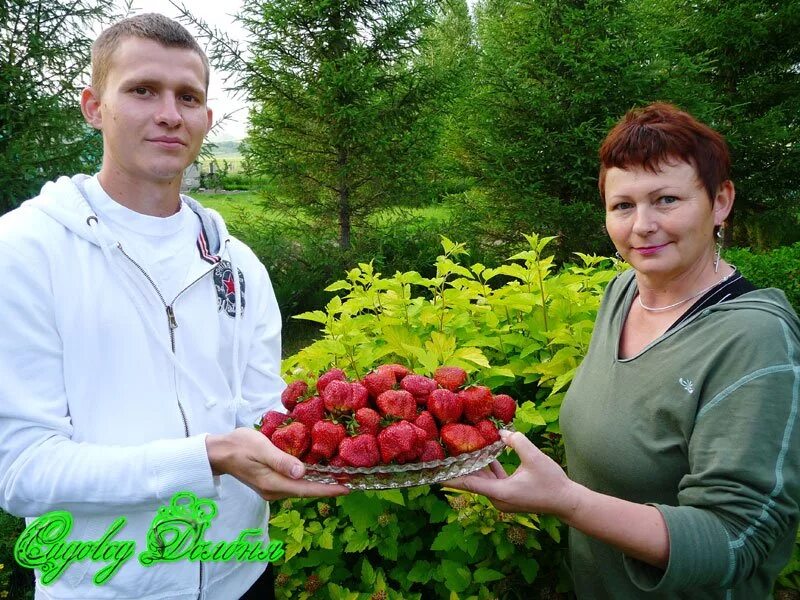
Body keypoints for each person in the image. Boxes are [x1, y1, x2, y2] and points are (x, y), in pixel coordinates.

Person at [0, 13, 348, 600]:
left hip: (242, 576)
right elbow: (22, 472)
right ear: (93, 106)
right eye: (142, 90)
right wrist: (209, 456)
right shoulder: (23, 252)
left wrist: (322, 449)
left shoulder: (239, 264)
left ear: (206, 120)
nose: (169, 113)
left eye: (188, 97)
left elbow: (263, 414)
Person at [445, 103, 800, 598]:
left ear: (720, 202)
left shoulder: (754, 341)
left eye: (667, 199)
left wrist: (566, 501)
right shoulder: (623, 292)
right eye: (623, 205)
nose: (642, 226)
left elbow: (735, 540)